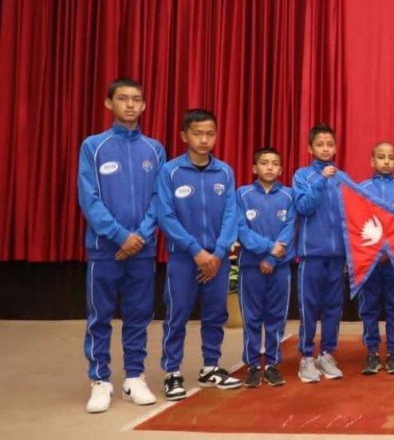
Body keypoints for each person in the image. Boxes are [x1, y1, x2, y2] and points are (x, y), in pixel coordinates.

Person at [77, 78, 166, 413]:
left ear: (144, 105)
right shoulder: (93, 146)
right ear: (108, 103)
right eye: (123, 98)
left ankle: (134, 377)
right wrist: (119, 235)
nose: (130, 105)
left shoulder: (154, 150)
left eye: (136, 99)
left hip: (142, 249)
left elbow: (159, 199)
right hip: (105, 249)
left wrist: (139, 236)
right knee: (99, 315)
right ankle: (100, 380)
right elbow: (89, 198)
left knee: (138, 315)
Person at [155, 109, 242, 400]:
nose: (204, 140)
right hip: (184, 258)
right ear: (184, 136)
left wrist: (218, 252)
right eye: (197, 134)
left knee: (216, 313)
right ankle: (172, 372)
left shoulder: (225, 172)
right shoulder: (170, 172)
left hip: (217, 258)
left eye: (210, 134)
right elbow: (166, 215)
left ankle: (210, 367)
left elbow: (231, 214)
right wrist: (196, 250)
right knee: (177, 314)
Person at [236, 147, 295, 389]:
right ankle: (252, 365)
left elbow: (290, 228)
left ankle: (271, 364)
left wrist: (272, 258)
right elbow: (241, 229)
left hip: (280, 268)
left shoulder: (289, 196)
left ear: (281, 169)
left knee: (276, 318)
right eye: (264, 162)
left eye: (274, 163)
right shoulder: (242, 194)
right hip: (251, 266)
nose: (269, 167)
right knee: (251, 318)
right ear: (254, 168)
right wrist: (268, 249)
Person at [292, 123, 347, 383]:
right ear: (310, 148)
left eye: (330, 144)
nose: (326, 149)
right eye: (320, 144)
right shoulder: (303, 176)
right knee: (309, 307)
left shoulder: (342, 178)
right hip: (311, 253)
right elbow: (303, 207)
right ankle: (306, 357)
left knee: (333, 307)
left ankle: (326, 353)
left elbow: (350, 216)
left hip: (337, 255)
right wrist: (321, 180)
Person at [358, 142, 394, 376]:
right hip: (369, 261)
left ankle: (393, 353)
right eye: (381, 157)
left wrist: (388, 249)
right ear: (372, 161)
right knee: (368, 307)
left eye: (391, 157)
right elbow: (357, 223)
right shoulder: (362, 188)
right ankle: (372, 353)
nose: (386, 161)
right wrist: (374, 250)